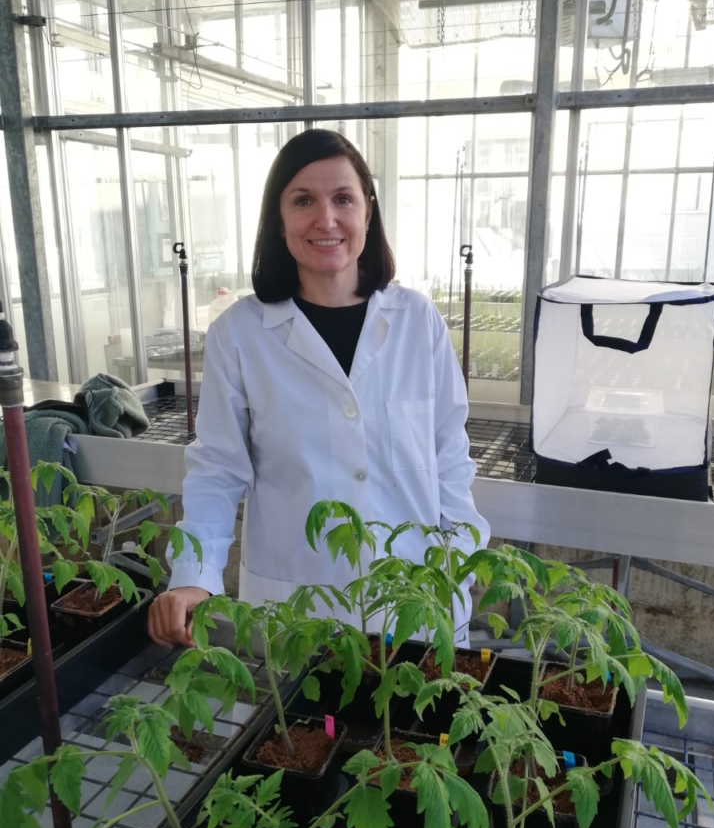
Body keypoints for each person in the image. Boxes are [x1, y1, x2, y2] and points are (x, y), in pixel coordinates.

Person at [147, 129, 490, 649]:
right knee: (301, 729)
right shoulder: (240, 334)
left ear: (367, 214)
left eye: (343, 199)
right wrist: (195, 573)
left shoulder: (418, 322)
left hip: (417, 604)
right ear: (278, 220)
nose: (326, 219)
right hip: (298, 604)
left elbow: (450, 462)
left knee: (418, 729)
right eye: (303, 200)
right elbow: (218, 468)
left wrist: (459, 567)